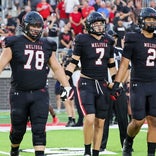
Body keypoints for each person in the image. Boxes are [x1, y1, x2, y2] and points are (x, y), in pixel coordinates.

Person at [0, 11, 71, 156]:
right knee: (18, 131)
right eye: (33, 26)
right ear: (25, 26)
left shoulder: (47, 44)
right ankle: (14, 149)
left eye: (39, 26)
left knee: (39, 129)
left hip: (40, 93)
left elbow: (56, 67)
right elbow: (0, 65)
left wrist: (67, 85)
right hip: (19, 93)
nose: (36, 29)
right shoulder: (13, 43)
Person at [65, 11, 117, 156]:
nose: (100, 27)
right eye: (96, 24)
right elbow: (73, 62)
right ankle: (87, 151)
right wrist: (65, 81)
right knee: (89, 118)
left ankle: (95, 153)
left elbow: (111, 66)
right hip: (86, 82)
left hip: (102, 84)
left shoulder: (108, 40)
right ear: (89, 25)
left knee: (100, 123)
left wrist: (116, 83)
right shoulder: (82, 39)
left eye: (101, 24)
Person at [110, 7, 156, 156]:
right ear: (141, 21)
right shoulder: (133, 38)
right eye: (148, 19)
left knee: (154, 121)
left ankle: (150, 154)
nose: (151, 22)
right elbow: (124, 63)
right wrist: (117, 83)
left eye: (153, 20)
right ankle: (128, 141)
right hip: (139, 84)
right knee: (138, 121)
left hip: (154, 84)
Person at [100, 30, 129, 152]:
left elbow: (127, 69)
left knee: (123, 119)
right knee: (104, 119)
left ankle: (126, 145)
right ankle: (101, 145)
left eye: (115, 37)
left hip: (118, 89)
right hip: (105, 88)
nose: (114, 39)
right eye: (111, 37)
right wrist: (107, 83)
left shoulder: (121, 51)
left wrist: (119, 83)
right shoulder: (100, 52)